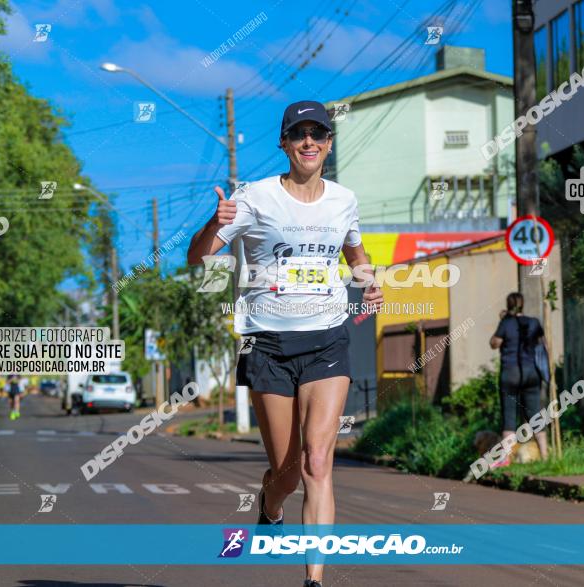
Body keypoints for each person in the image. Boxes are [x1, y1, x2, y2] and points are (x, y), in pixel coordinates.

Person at [187, 101, 382, 587]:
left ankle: (314, 579)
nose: (309, 141)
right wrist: (216, 223)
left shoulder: (344, 200)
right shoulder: (253, 197)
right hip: (268, 344)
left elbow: (355, 253)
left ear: (330, 143)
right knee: (287, 471)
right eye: (299, 134)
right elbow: (198, 257)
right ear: (285, 143)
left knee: (319, 461)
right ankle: (269, 507)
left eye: (318, 133)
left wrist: (369, 282)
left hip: (328, 338)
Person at [489, 292, 550, 465]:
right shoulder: (534, 322)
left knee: (509, 416)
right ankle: (545, 457)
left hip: (510, 374)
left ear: (508, 306)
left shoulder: (506, 323)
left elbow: (494, 343)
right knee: (536, 416)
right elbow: (543, 344)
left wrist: (503, 320)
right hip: (532, 373)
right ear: (523, 305)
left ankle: (506, 459)